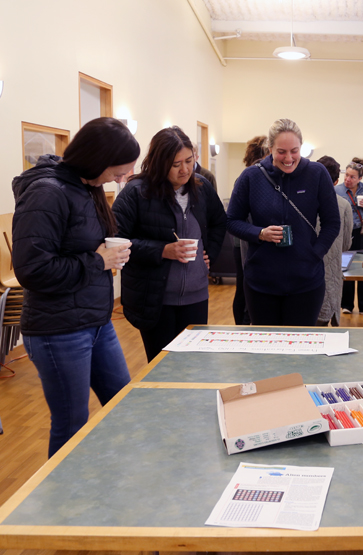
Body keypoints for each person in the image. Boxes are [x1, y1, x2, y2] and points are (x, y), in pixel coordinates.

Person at [11, 117, 140, 458]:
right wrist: (98, 262)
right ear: (98, 158)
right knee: (71, 423)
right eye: (118, 171)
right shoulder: (46, 193)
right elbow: (32, 270)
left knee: (122, 401)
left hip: (96, 322)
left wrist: (108, 257)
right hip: (58, 330)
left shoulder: (87, 186)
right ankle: (63, 504)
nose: (121, 178)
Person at [113, 127, 226, 362]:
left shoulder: (202, 187)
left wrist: (210, 254)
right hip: (155, 298)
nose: (185, 169)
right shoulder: (136, 192)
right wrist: (162, 250)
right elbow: (117, 241)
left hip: (196, 296)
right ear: (159, 162)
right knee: (161, 367)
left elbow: (219, 222)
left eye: (189, 160)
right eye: (176, 164)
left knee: (194, 366)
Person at [226, 118, 341, 326]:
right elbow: (232, 220)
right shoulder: (251, 177)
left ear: (301, 148)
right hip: (261, 283)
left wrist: (314, 253)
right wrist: (260, 233)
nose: (288, 158)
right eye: (281, 151)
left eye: (294, 151)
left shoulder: (317, 174)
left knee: (301, 350)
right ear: (270, 149)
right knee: (267, 350)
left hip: (307, 282)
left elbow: (332, 223)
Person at [232, 135, 269, 325]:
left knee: (243, 286)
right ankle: (244, 327)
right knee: (246, 287)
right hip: (247, 240)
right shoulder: (251, 176)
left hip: (246, 240)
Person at [317, 155, 353, 326]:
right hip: (332, 272)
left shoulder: (301, 201)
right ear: (337, 180)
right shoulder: (344, 205)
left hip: (305, 273)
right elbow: (346, 244)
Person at [336, 157, 363, 315]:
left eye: (352, 177)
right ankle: (346, 305)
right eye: (346, 175)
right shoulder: (337, 190)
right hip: (345, 232)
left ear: (360, 178)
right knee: (346, 268)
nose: (348, 179)